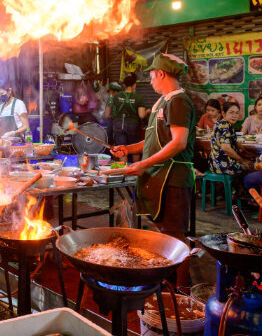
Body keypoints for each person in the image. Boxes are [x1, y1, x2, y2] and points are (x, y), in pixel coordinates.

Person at [108, 53, 196, 287]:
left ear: (161, 74)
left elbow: (178, 143)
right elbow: (151, 142)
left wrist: (143, 164)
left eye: (151, 74)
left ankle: (182, 286)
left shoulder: (178, 101)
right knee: (162, 232)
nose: (150, 80)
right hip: (158, 176)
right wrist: (128, 149)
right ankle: (166, 279)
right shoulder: (162, 101)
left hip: (173, 177)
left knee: (176, 235)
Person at [208, 102, 253, 196]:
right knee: (250, 166)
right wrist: (243, 160)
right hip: (223, 165)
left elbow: (232, 140)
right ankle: (242, 195)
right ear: (224, 113)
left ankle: (236, 192)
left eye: (237, 113)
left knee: (248, 161)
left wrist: (244, 150)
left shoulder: (221, 123)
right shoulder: (225, 126)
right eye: (231, 112)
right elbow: (226, 148)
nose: (234, 115)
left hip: (214, 163)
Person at [109, 73, 147, 162]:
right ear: (134, 85)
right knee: (135, 150)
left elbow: (111, 112)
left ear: (124, 85)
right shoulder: (138, 97)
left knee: (121, 150)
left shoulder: (116, 96)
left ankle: (124, 173)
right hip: (133, 126)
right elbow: (141, 115)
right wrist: (148, 112)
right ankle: (135, 173)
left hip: (118, 125)